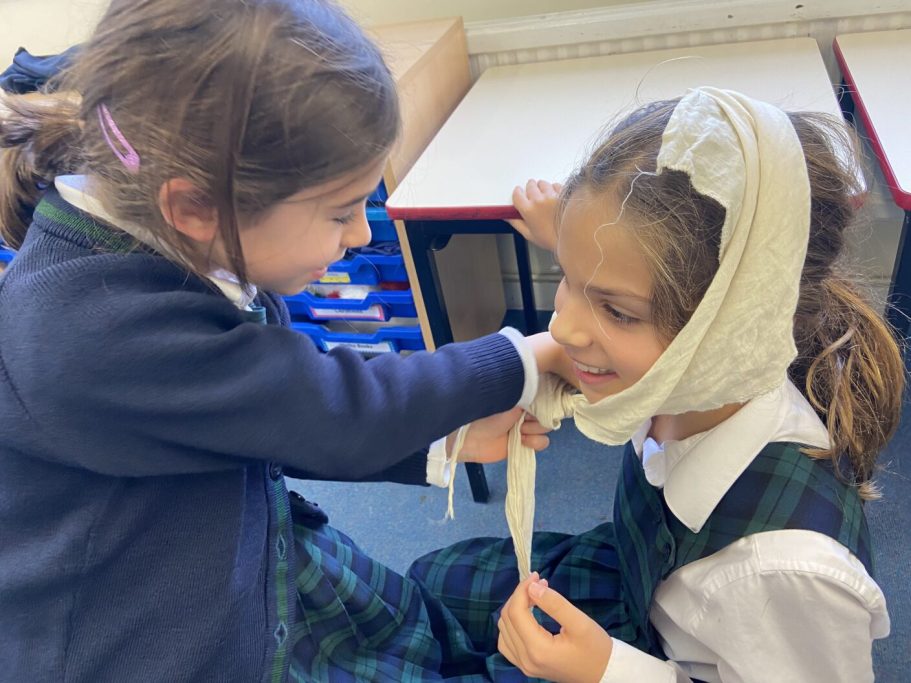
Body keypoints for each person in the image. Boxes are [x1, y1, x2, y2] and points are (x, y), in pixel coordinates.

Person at [0, 1, 560, 681]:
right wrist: (519, 358)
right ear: (195, 207)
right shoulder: (93, 332)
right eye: (341, 212)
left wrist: (439, 442)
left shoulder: (170, 241)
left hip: (236, 538)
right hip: (174, 649)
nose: (361, 236)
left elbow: (261, 412)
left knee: (413, 632)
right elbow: (333, 407)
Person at [407, 90, 905, 682]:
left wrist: (608, 669)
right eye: (567, 275)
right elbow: (596, 309)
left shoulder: (785, 571)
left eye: (617, 311)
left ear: (727, 329)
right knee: (427, 582)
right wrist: (573, 242)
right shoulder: (695, 375)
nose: (562, 327)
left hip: (645, 659)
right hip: (633, 580)